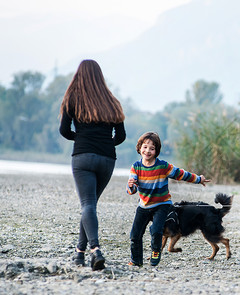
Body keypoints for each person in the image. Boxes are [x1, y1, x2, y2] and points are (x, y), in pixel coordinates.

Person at [59, 59, 126, 271]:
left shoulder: (73, 99)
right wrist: (105, 144)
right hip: (107, 159)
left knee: (88, 205)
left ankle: (95, 249)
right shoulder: (112, 101)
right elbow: (121, 136)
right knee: (90, 206)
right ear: (100, 76)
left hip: (83, 157)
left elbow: (63, 130)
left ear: (79, 75)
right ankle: (79, 253)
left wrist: (80, 139)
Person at [126, 131, 210, 267]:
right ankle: (136, 260)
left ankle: (155, 252)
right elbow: (132, 189)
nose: (147, 151)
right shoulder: (136, 167)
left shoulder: (163, 166)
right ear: (139, 147)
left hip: (162, 204)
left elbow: (181, 174)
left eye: (152, 148)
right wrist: (131, 187)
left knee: (156, 230)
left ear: (156, 151)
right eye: (145, 147)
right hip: (144, 205)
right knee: (135, 234)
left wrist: (198, 179)